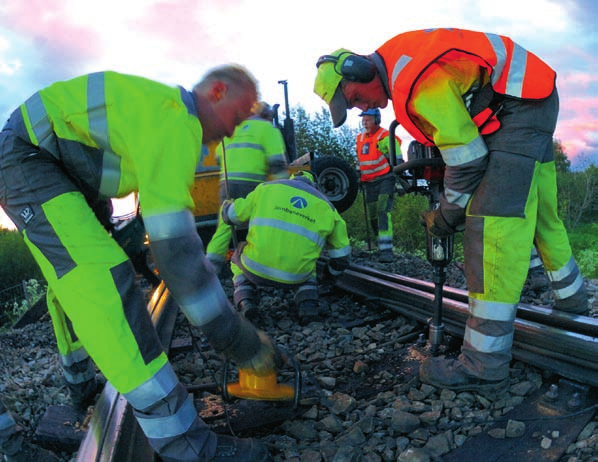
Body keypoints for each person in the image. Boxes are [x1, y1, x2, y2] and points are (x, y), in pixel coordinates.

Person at [0, 65, 279, 462]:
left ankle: (80, 383)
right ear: (217, 92)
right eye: (237, 116)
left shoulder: (160, 111)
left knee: (74, 277)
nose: (233, 131)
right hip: (32, 157)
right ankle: (187, 446)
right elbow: (178, 257)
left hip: (58, 163)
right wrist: (239, 341)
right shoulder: (176, 122)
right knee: (100, 280)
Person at [313, 27, 588, 397]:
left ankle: (483, 366)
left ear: (359, 71)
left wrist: (446, 216)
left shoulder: (414, 82)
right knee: (540, 211)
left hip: (518, 106)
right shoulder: (400, 63)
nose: (360, 108)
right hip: (528, 97)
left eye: (353, 99)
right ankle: (572, 301)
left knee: (491, 225)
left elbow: (470, 160)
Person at [220, 171, 351, 321]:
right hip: (296, 276)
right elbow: (342, 258)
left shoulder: (267, 189)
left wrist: (227, 207)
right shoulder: (328, 208)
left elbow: (232, 216)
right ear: (315, 187)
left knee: (238, 257)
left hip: (255, 268)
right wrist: (329, 274)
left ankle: (246, 301)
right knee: (310, 267)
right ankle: (308, 305)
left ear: (292, 180)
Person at [206, 102, 289, 274]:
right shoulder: (267, 129)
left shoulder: (233, 129)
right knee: (260, 223)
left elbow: (218, 158)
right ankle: (262, 264)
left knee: (225, 224)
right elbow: (277, 163)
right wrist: (285, 189)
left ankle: (211, 266)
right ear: (267, 115)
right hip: (251, 184)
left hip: (226, 183)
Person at [355, 108, 402, 262]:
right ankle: (379, 245)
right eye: (363, 120)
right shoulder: (360, 138)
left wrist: (400, 176)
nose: (364, 122)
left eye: (368, 119)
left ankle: (386, 250)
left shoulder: (385, 136)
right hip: (369, 183)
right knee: (373, 216)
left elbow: (398, 158)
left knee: (383, 211)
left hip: (385, 179)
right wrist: (357, 173)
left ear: (377, 120)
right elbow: (361, 159)